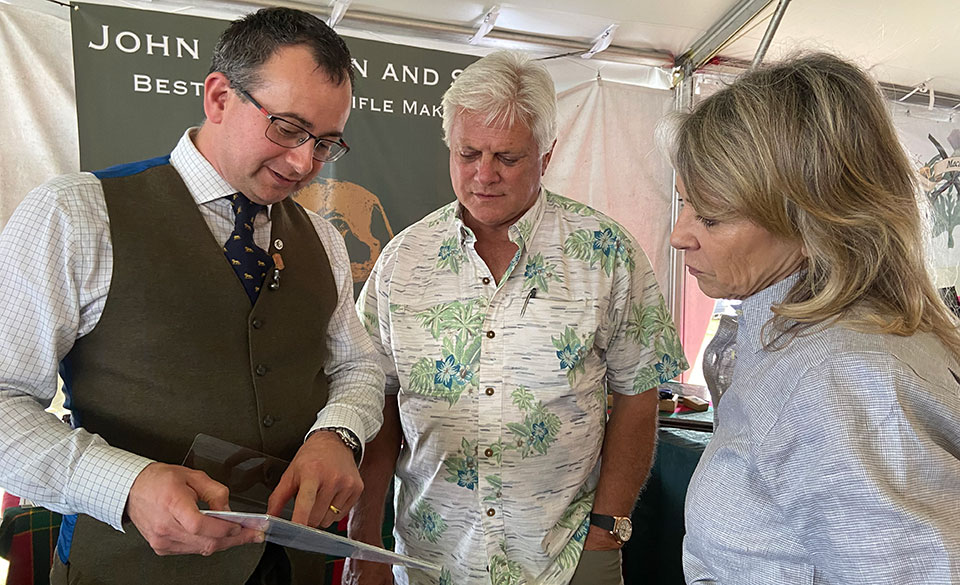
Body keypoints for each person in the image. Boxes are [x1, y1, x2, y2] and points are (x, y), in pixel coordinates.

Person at [0, 7, 385, 585]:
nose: (305, 162)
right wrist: (122, 483)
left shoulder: (324, 239)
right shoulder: (75, 215)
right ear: (219, 97)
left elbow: (357, 365)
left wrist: (338, 433)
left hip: (290, 567)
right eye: (286, 127)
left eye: (326, 142)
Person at [345, 50, 687, 585]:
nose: (484, 175)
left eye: (507, 157)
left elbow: (638, 396)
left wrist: (607, 531)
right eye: (468, 153)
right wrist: (365, 542)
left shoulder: (605, 252)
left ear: (546, 157)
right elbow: (379, 401)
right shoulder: (401, 261)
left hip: (566, 557)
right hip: (432, 558)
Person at [669, 53, 960, 584]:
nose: (679, 234)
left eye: (710, 216)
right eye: (684, 203)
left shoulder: (843, 378)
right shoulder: (802, 343)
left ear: (814, 219)